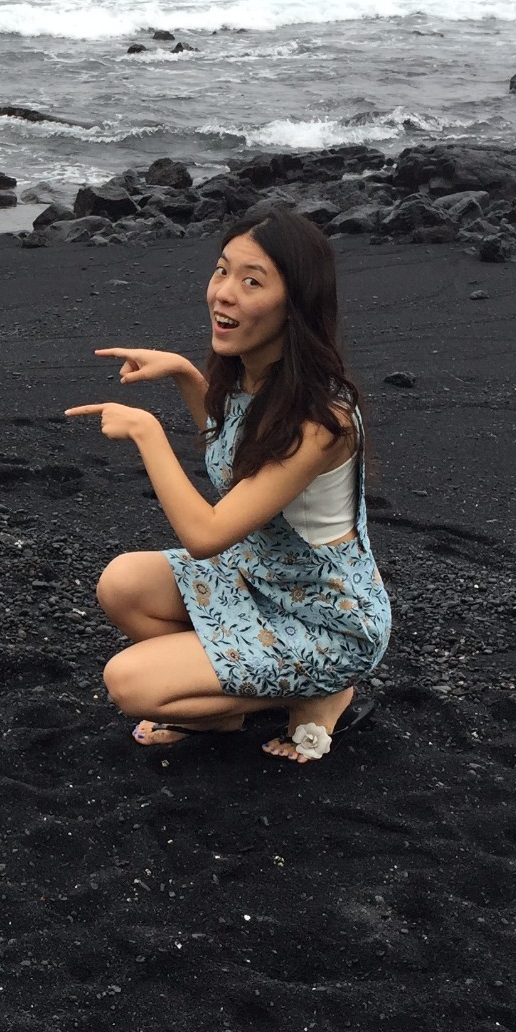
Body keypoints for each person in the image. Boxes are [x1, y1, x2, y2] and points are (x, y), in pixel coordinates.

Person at [64, 203, 390, 763]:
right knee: (122, 584)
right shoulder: (255, 374)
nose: (223, 293)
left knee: (130, 684)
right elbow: (234, 455)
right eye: (222, 270)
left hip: (325, 619)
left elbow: (207, 533)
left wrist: (146, 431)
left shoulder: (322, 418)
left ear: (296, 305)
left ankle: (325, 691)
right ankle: (231, 711)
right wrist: (188, 375)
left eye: (251, 281)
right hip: (259, 580)